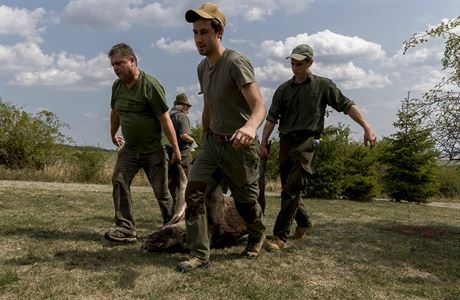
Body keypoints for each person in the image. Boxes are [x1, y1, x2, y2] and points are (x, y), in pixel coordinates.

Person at [176, 2, 267, 272]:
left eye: (204, 32)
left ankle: (257, 233)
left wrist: (250, 127)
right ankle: (200, 254)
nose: (198, 39)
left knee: (245, 202)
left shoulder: (236, 63)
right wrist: (204, 136)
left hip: (240, 147)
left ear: (219, 33)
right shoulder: (202, 68)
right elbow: (209, 107)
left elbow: (259, 104)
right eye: (195, 33)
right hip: (213, 143)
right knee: (193, 192)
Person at [261, 44, 377, 251]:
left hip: (308, 142)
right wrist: (263, 143)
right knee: (289, 188)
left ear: (310, 63)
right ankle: (304, 222)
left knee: (291, 189)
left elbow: (347, 105)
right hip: (286, 142)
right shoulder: (282, 90)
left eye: (299, 64)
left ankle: (280, 237)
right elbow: (271, 118)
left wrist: (367, 127)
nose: (295, 68)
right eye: (292, 64)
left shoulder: (323, 86)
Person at [104, 43, 181, 243]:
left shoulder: (150, 85)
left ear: (132, 61)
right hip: (131, 147)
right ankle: (126, 228)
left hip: (154, 148)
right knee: (119, 180)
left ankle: (172, 229)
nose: (116, 68)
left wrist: (176, 150)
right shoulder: (117, 86)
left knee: (162, 193)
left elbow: (165, 120)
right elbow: (115, 113)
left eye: (119, 63)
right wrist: (113, 133)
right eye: (113, 65)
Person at [169, 93, 196, 177]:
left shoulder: (168, 116)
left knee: (172, 179)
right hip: (182, 153)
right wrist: (192, 140)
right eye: (187, 107)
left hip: (169, 151)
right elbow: (184, 136)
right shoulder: (182, 116)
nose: (188, 109)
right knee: (185, 178)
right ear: (183, 106)